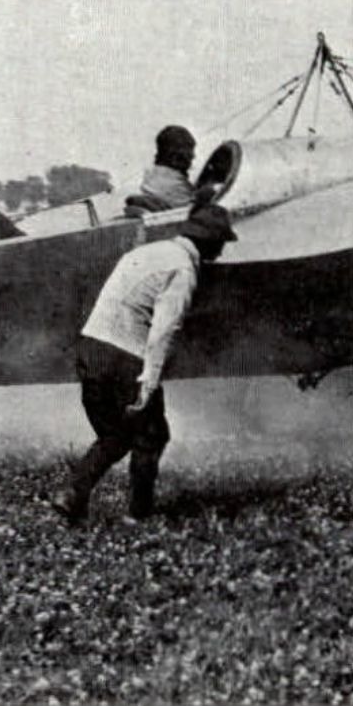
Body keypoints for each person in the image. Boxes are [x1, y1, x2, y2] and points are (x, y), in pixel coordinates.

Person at [51, 203, 237, 523]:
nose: (221, 250)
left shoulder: (149, 252)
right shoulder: (184, 270)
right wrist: (148, 382)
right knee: (152, 436)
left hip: (91, 347)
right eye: (220, 241)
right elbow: (164, 331)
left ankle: (73, 494)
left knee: (114, 435)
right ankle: (138, 516)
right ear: (207, 240)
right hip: (125, 356)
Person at [124, 125, 198, 217]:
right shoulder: (175, 184)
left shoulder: (152, 176)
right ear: (177, 154)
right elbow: (195, 212)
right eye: (189, 150)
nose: (193, 156)